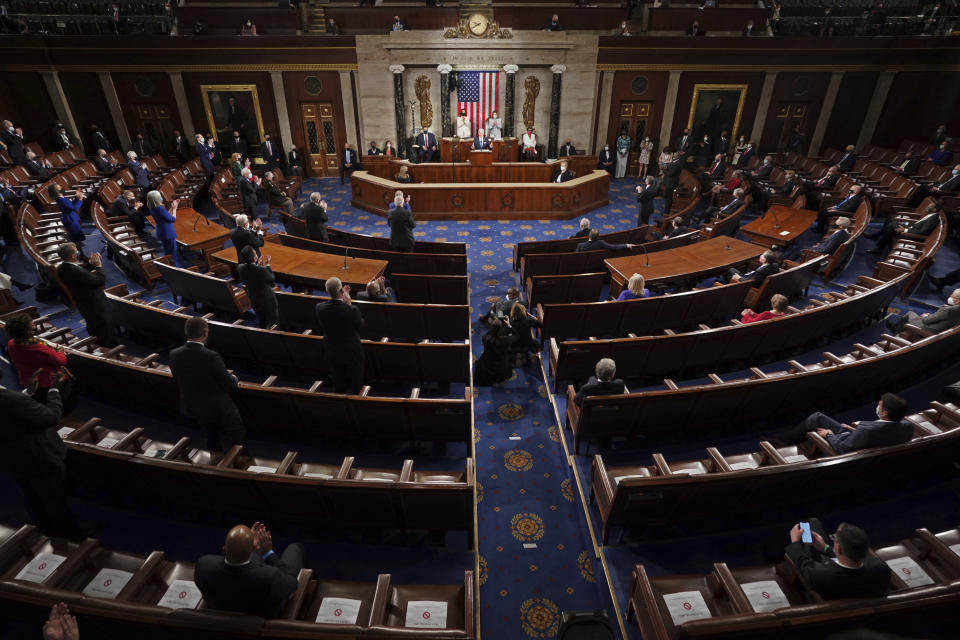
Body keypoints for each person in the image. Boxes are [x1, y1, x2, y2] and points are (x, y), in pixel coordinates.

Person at [0, 371, 85, 539]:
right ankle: (72, 538)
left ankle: (45, 534)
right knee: (54, 500)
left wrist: (27, 394)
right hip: (38, 456)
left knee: (32, 498)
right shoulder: (12, 399)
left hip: (9, 459)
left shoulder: (12, 399)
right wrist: (54, 390)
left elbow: (9, 413)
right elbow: (51, 417)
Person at [196, 521, 306, 619]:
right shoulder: (270, 577)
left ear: (224, 548)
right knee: (295, 548)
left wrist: (247, 543)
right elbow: (292, 582)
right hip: (263, 620)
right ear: (253, 549)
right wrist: (269, 554)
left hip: (222, 613)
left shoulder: (203, 565)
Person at [169, 316, 246, 451]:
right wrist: (233, 378)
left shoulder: (174, 354)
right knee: (238, 436)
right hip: (218, 408)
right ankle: (242, 463)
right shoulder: (211, 356)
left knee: (211, 437)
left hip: (193, 405)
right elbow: (229, 384)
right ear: (205, 333)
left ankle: (215, 462)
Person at [784, 521, 890, 600]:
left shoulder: (821, 576)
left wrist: (795, 541)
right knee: (814, 522)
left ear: (838, 548)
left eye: (834, 537)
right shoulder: (881, 569)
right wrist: (825, 548)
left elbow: (803, 563)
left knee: (814, 523)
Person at [56, 244, 118, 347]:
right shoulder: (75, 271)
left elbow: (81, 274)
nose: (77, 252)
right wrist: (98, 266)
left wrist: (91, 263)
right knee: (105, 325)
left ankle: (96, 345)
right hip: (94, 303)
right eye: (76, 251)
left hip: (82, 302)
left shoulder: (62, 267)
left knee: (93, 324)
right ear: (73, 256)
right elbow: (99, 280)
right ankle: (111, 349)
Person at [315, 277, 365, 394]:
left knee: (338, 382)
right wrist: (349, 304)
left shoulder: (319, 308)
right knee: (356, 383)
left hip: (332, 350)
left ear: (327, 291)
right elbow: (360, 325)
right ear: (342, 291)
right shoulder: (352, 310)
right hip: (352, 350)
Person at [6, 313, 69, 404]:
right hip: (47, 384)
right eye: (32, 328)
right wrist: (60, 352)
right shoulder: (38, 349)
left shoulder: (11, 343)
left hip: (27, 381)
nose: (34, 328)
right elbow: (61, 361)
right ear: (27, 332)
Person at [867, 203, 941, 256]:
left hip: (913, 236)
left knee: (891, 226)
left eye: (929, 207)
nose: (927, 207)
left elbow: (922, 232)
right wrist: (905, 224)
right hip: (911, 229)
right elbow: (917, 225)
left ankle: (878, 245)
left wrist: (905, 230)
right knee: (890, 223)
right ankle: (879, 245)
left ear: (934, 209)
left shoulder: (933, 219)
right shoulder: (931, 215)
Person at [885, 288, 960, 334]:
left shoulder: (947, 310)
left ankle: (895, 330)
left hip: (929, 329)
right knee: (905, 322)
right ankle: (896, 329)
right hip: (940, 328)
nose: (950, 296)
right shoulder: (953, 309)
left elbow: (927, 321)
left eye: (952, 296)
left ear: (958, 301)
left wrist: (926, 316)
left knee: (909, 314)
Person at [238, 246, 278, 328]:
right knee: (273, 322)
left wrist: (257, 265)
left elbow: (252, 273)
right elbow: (271, 280)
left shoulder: (240, 268)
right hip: (267, 300)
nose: (257, 255)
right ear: (254, 258)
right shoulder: (262, 271)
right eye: (255, 254)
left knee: (261, 321)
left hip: (254, 299)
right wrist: (267, 265)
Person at [474, 318, 518, 386]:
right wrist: (509, 325)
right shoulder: (505, 340)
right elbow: (517, 336)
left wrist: (493, 327)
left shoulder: (485, 338)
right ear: (501, 329)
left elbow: (491, 333)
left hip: (487, 363)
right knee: (510, 353)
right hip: (501, 365)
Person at [146, 190, 180, 267]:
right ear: (157, 198)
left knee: (168, 251)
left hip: (161, 231)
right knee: (172, 252)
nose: (161, 197)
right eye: (160, 196)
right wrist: (175, 209)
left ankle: (169, 266)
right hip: (167, 232)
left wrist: (171, 208)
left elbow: (166, 216)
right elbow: (172, 219)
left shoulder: (153, 207)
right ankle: (176, 268)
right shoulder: (159, 208)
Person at [50, 184, 85, 256]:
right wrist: (80, 199)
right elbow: (75, 208)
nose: (61, 188)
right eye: (59, 188)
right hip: (69, 219)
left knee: (77, 237)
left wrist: (76, 197)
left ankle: (80, 253)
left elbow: (71, 205)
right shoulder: (61, 200)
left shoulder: (62, 197)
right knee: (76, 238)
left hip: (71, 216)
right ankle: (81, 255)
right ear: (56, 191)